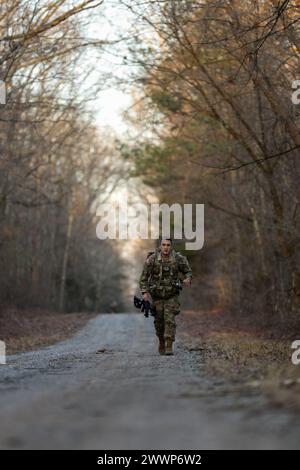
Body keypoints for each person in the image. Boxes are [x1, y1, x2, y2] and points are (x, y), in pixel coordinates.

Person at [139, 238, 192, 355]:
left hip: (171, 295)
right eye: (163, 245)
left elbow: (188, 271)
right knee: (159, 321)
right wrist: (144, 293)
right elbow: (143, 278)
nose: (166, 247)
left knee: (169, 320)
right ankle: (161, 341)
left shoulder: (178, 259)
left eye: (168, 245)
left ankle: (169, 345)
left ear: (171, 246)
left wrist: (188, 278)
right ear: (160, 246)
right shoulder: (152, 259)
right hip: (157, 295)